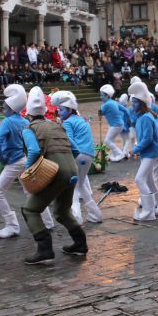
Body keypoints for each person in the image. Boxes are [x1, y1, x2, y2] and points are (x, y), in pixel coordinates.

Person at [21, 87, 87, 264]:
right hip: (72, 171)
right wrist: (65, 162)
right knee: (62, 211)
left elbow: (34, 150)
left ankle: (45, 250)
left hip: (54, 172)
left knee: (30, 210)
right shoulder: (57, 125)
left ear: (28, 114)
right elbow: (75, 149)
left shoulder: (29, 129)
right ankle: (80, 244)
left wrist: (28, 169)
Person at [0, 85, 55, 238]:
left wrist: (0, 158)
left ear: (11, 108)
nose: (3, 109)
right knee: (30, 191)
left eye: (5, 107)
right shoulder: (24, 121)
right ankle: (48, 221)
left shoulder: (7, 122)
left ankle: (12, 225)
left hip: (13, 161)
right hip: (24, 159)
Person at [52, 91, 103, 224]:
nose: (59, 112)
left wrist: (74, 153)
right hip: (89, 156)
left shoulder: (67, 123)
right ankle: (95, 214)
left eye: (62, 110)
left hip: (78, 155)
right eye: (58, 109)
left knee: (73, 186)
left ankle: (76, 217)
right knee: (80, 185)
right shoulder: (81, 120)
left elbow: (68, 140)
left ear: (70, 110)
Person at [128, 82, 158, 221]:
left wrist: (134, 149)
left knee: (139, 179)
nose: (132, 105)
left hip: (150, 153)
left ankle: (148, 212)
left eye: (135, 102)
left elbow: (147, 139)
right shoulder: (142, 117)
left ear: (141, 103)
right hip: (147, 153)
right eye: (132, 102)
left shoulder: (146, 117)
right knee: (149, 180)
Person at [99, 84, 125, 162]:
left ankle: (120, 154)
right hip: (119, 124)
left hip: (115, 125)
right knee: (111, 140)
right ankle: (115, 154)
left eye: (102, 95)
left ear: (107, 96)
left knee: (107, 141)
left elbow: (100, 114)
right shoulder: (114, 102)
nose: (101, 97)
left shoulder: (105, 105)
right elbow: (125, 110)